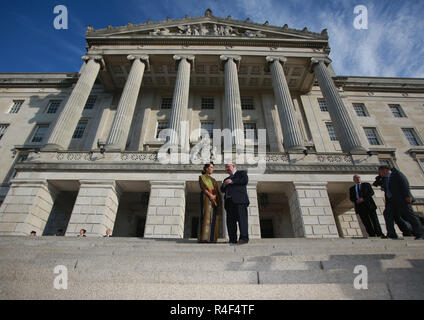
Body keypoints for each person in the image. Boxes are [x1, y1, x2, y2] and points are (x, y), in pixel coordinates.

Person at [378, 165, 424, 240]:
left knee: (410, 216)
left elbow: (405, 184)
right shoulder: (385, 179)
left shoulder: (396, 174)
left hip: (402, 200)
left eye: (380, 172)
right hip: (391, 201)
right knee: (387, 214)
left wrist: (407, 195)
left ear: (385, 170)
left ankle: (420, 233)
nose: (380, 174)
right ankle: (391, 234)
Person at [220, 163, 250, 245]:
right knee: (230, 222)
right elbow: (222, 189)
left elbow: (244, 181)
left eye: (228, 166)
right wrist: (224, 184)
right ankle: (232, 239)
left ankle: (244, 238)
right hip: (229, 203)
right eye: (226, 167)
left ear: (233, 166)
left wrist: (232, 181)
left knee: (242, 220)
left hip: (240, 201)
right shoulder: (226, 179)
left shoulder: (242, 173)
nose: (227, 169)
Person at [198, 163, 222, 243]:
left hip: (214, 200)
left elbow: (216, 190)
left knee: (214, 217)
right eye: (211, 167)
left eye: (213, 167)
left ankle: (212, 238)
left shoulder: (213, 180)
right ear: (206, 169)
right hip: (206, 198)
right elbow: (203, 188)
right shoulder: (203, 177)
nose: (212, 169)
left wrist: (215, 196)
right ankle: (205, 238)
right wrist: (210, 195)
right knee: (206, 216)